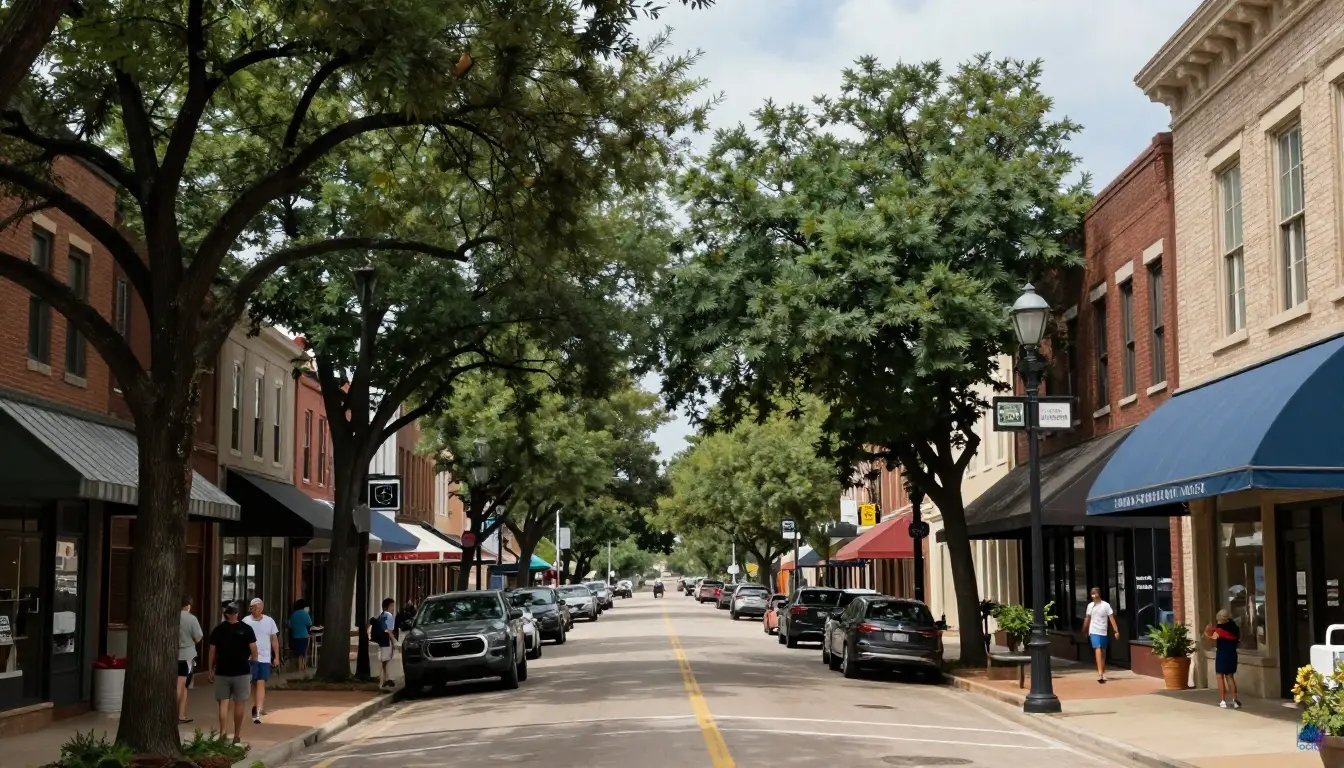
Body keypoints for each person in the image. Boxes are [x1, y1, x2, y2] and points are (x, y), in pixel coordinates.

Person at [208, 603, 257, 745]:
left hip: (222, 671)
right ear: (236, 614)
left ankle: (223, 733)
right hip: (242, 671)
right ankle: (236, 735)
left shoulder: (218, 630)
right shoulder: (247, 629)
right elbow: (254, 649)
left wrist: (210, 669)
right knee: (240, 703)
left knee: (223, 703)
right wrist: (253, 663)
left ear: (226, 614)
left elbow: (212, 651)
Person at [242, 598, 280, 724]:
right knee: (254, 683)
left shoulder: (269, 621)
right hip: (249, 658)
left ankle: (259, 710)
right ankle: (256, 705)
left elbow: (274, 639)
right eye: (253, 608)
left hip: (264, 657)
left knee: (261, 682)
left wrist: (276, 657)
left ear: (262, 608)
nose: (255, 610)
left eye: (257, 608)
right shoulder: (246, 621)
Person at [1206, 609, 1241, 709]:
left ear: (1220, 619)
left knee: (1220, 677)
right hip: (1232, 654)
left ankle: (1222, 701)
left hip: (1222, 654)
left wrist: (1207, 633)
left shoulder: (1219, 630)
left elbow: (1212, 642)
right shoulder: (1234, 627)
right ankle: (1235, 701)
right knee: (1230, 677)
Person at [1084, 587, 1120, 683]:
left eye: (1095, 593)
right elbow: (1087, 618)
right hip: (1093, 631)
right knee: (1098, 648)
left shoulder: (1106, 605)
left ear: (1099, 594)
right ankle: (1100, 673)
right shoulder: (1090, 606)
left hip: (1103, 631)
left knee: (1103, 652)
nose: (1094, 596)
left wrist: (1116, 631)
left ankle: (1103, 672)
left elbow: (1111, 618)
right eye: (1092, 594)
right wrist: (1085, 630)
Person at [178, 596, 204, 724]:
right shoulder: (191, 618)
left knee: (181, 686)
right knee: (182, 685)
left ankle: (181, 715)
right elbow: (198, 637)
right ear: (188, 606)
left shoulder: (172, 617)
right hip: (186, 655)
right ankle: (178, 714)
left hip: (172, 655)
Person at [288, 599, 322, 675]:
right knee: (304, 652)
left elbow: (289, 625)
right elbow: (309, 623)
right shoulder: (304, 613)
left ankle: (300, 668)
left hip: (295, 635)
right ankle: (303, 667)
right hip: (304, 635)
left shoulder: (293, 614)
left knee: (299, 653)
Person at [373, 597, 397, 688]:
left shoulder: (382, 616)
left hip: (383, 642)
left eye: (393, 606)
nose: (393, 608)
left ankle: (385, 680)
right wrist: (395, 642)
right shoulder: (388, 616)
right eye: (391, 606)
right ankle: (384, 681)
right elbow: (389, 631)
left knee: (384, 662)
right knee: (385, 661)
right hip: (386, 642)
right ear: (386, 608)